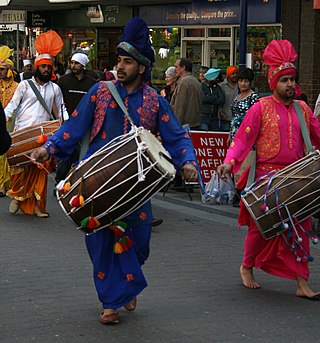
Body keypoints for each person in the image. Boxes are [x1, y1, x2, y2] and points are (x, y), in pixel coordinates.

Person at [30, 17, 198, 325]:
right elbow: (73, 126)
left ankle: (126, 283)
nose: (120, 67)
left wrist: (187, 162)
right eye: (119, 61)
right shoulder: (101, 91)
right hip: (95, 182)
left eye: (127, 62)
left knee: (142, 241)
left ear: (142, 67)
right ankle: (111, 302)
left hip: (137, 187)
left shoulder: (154, 101)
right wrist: (49, 148)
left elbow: (176, 135)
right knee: (100, 243)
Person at [217, 39, 320, 298]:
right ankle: (247, 266)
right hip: (267, 180)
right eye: (284, 80)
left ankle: (301, 283)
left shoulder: (304, 109)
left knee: (302, 228)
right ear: (274, 81)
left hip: (298, 179)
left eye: (292, 80)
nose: (289, 85)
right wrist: (229, 161)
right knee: (260, 228)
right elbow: (241, 140)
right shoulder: (260, 108)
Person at [5, 30, 68, 218]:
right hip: (23, 132)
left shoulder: (55, 88)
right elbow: (11, 107)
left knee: (41, 171)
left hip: (43, 135)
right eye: (43, 67)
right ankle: (18, 196)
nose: (46, 70)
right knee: (21, 169)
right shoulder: (24, 85)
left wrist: (68, 124)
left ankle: (39, 207)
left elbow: (61, 108)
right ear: (36, 67)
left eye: (49, 67)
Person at [55, 52, 97, 186]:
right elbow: (57, 102)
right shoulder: (63, 81)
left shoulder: (92, 83)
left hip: (85, 125)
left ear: (83, 65)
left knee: (82, 154)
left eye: (76, 63)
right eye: (71, 62)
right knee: (64, 155)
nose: (73, 65)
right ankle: (60, 182)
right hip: (67, 124)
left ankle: (78, 184)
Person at [0, 46, 19, 197]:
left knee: (10, 154)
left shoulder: (18, 87)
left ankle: (11, 183)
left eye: (2, 69)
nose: (0, 72)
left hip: (12, 126)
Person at [170, 57, 201, 129]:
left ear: (183, 68)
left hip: (184, 125)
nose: (174, 69)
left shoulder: (183, 82)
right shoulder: (195, 80)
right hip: (194, 124)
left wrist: (175, 126)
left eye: (176, 67)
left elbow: (180, 107)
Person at [219, 65, 239, 131]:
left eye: (236, 73)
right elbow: (219, 101)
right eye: (233, 74)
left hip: (238, 118)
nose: (235, 75)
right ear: (228, 74)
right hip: (225, 118)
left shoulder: (240, 85)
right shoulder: (222, 86)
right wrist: (221, 111)